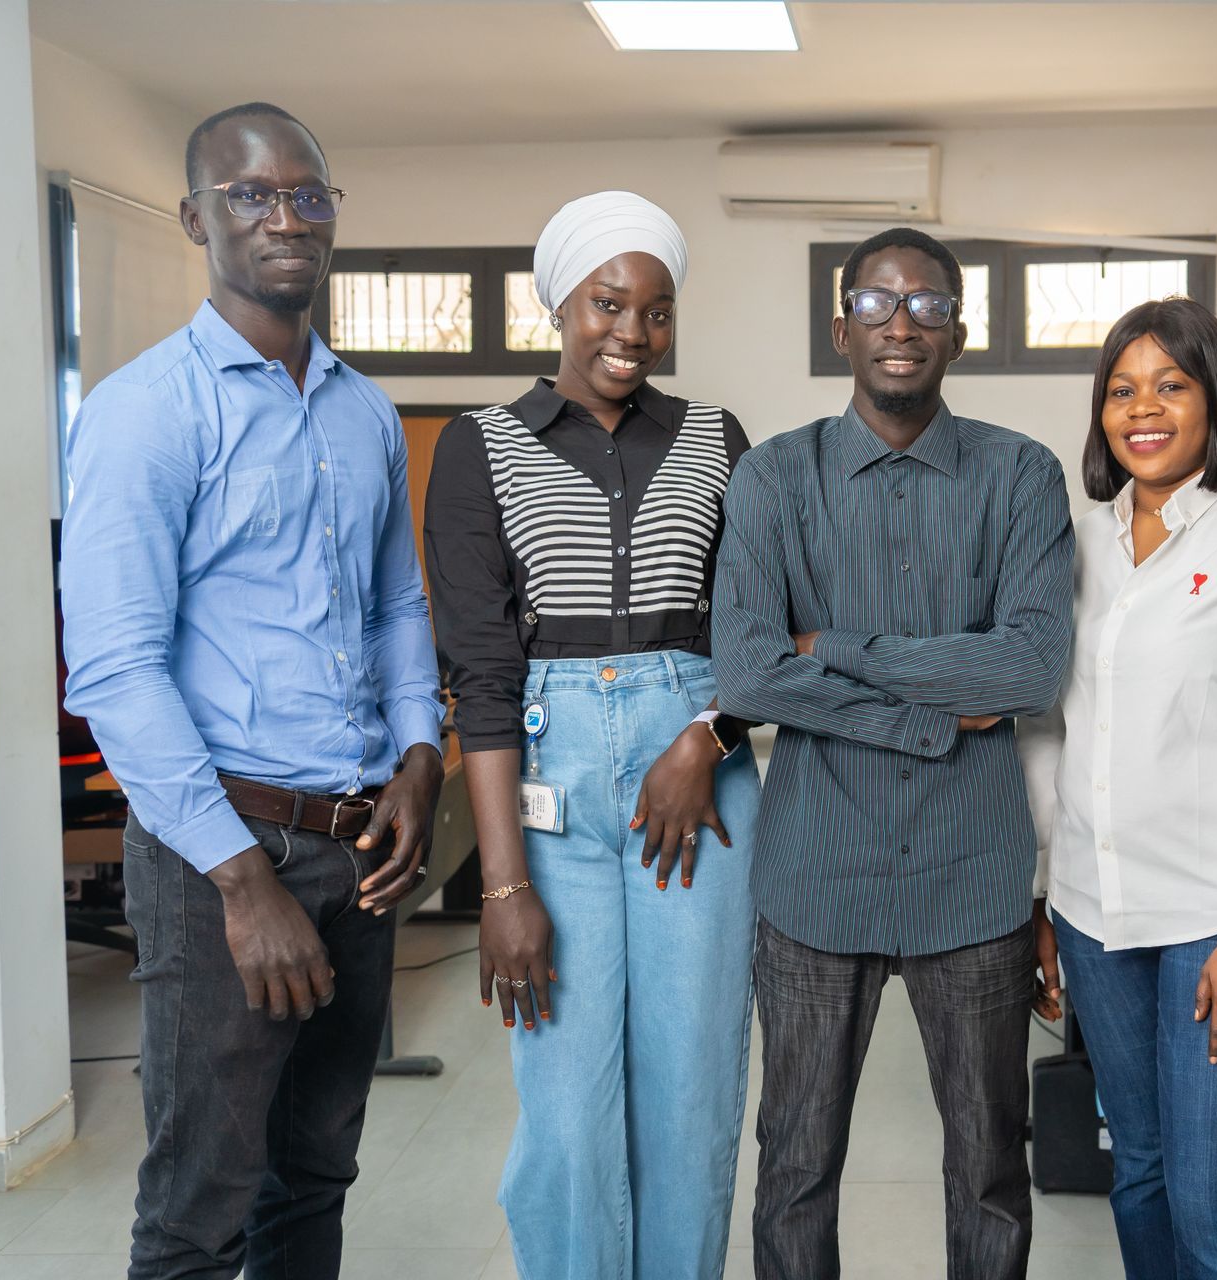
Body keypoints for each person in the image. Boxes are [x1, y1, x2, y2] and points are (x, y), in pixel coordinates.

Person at [60, 102, 444, 1280]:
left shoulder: (362, 410)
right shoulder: (143, 411)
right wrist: (240, 879)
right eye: (251, 194)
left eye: (308, 193)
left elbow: (396, 608)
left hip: (359, 846)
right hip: (224, 852)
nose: (286, 215)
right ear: (194, 218)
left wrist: (419, 760)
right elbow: (116, 668)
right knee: (198, 1208)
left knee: (314, 1175)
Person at [712, 227, 1074, 1280]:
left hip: (974, 880)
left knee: (991, 1170)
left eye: (926, 304)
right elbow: (748, 676)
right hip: (817, 876)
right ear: (842, 328)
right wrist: (923, 714)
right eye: (877, 302)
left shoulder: (1021, 474)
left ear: (959, 331)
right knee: (795, 1166)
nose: (902, 322)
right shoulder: (776, 477)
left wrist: (841, 650)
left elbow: (1029, 668)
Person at [423, 191, 759, 1279]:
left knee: (692, 1090)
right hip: (548, 782)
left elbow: (754, 630)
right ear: (559, 303)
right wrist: (503, 887)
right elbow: (481, 677)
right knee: (567, 1110)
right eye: (607, 303)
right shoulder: (480, 447)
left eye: (656, 311)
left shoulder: (716, 438)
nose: (631, 332)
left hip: (698, 782)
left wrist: (704, 733)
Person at [1017, 298, 1217, 1279]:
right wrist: (1043, 892)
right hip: (1094, 907)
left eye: (1171, 383)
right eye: (1121, 389)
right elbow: (1047, 725)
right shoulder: (1075, 543)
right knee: (1141, 1174)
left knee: (1213, 1202)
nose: (1143, 408)